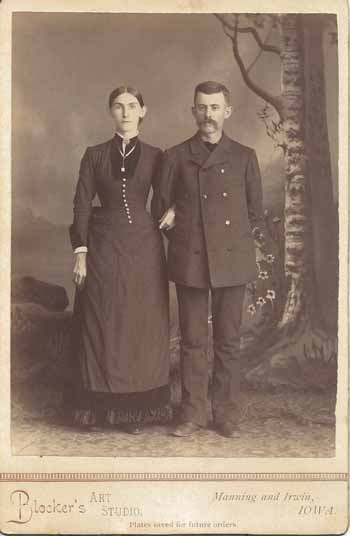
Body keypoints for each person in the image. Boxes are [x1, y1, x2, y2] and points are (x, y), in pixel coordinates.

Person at [155, 81, 263, 438]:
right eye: (202, 107)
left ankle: (226, 414)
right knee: (192, 341)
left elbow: (254, 210)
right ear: (193, 111)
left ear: (227, 112)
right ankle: (192, 413)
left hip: (232, 260)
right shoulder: (175, 156)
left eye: (215, 107)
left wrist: (226, 240)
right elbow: (161, 210)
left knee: (229, 340)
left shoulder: (245, 156)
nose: (208, 114)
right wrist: (184, 230)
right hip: (192, 258)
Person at [69, 86, 170, 434]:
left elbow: (173, 196)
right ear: (110, 112)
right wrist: (80, 252)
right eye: (117, 106)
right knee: (104, 321)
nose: (125, 112)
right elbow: (81, 204)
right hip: (102, 245)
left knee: (139, 324)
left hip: (144, 247)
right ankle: (100, 409)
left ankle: (134, 412)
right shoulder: (94, 155)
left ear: (143, 110)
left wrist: (172, 209)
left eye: (131, 106)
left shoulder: (158, 156)